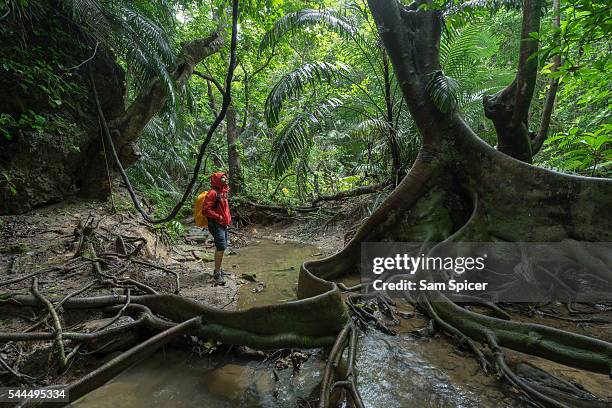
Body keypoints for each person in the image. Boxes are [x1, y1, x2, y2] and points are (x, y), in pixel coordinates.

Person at [202, 172, 232, 285]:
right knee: (221, 247)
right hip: (216, 224)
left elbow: (225, 209)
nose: (225, 179)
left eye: (225, 177)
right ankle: (217, 273)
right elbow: (205, 210)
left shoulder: (223, 192)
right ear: (217, 180)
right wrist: (218, 217)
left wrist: (227, 220)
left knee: (221, 248)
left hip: (223, 224)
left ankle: (218, 269)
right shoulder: (213, 193)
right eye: (223, 178)